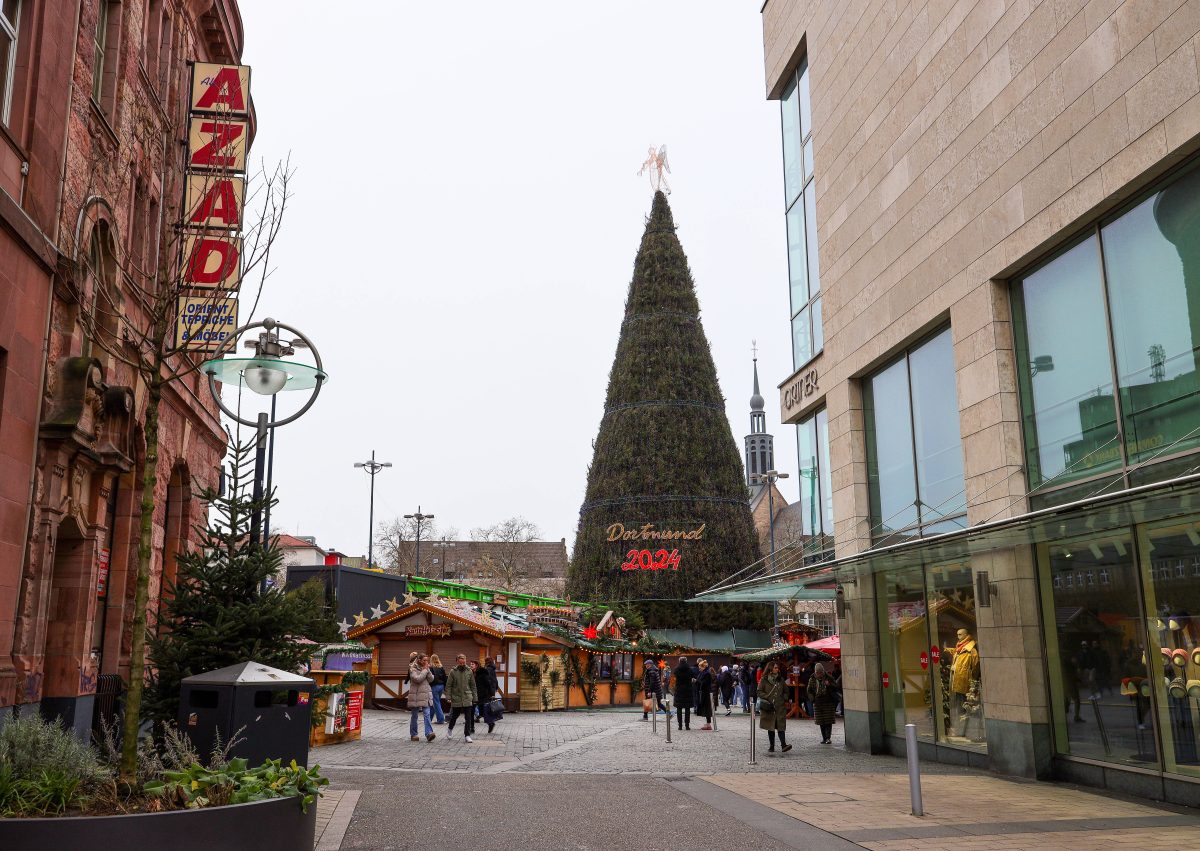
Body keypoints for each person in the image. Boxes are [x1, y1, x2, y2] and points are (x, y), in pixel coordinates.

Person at [758, 660, 792, 753]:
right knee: (771, 726)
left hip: (780, 706)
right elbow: (759, 691)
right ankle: (771, 746)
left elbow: (786, 691)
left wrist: (784, 698)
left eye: (777, 668)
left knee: (781, 726)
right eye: (775, 667)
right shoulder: (764, 679)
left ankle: (783, 745)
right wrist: (767, 697)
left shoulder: (780, 679)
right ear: (770, 669)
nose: (777, 669)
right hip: (769, 707)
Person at [445, 653, 477, 742]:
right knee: (454, 716)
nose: (462, 664)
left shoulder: (469, 671)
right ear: (457, 662)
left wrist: (475, 698)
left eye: (464, 663)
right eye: (461, 663)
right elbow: (448, 685)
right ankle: (450, 730)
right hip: (456, 697)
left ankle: (467, 735)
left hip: (467, 696)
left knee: (468, 717)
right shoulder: (453, 672)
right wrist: (448, 696)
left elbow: (473, 685)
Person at [807, 662, 840, 744]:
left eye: (821, 673)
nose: (819, 674)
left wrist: (829, 684)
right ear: (815, 672)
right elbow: (809, 690)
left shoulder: (829, 678)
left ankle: (828, 738)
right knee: (821, 721)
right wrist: (812, 699)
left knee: (828, 721)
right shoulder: (812, 679)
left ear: (823, 671)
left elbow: (836, 686)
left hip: (828, 702)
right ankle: (824, 738)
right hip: (818, 702)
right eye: (818, 673)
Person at [407, 654, 436, 742]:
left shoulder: (426, 668)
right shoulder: (412, 668)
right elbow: (417, 679)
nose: (426, 662)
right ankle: (414, 734)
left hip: (425, 695)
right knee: (415, 715)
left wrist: (428, 670)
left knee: (427, 714)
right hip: (415, 695)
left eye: (427, 660)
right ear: (419, 660)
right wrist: (424, 670)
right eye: (424, 660)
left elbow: (431, 680)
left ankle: (429, 733)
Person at [473, 660, 498, 734]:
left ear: (477, 665)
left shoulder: (483, 673)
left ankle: (491, 723)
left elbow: (488, 683)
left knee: (483, 711)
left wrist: (492, 693)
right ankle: (472, 727)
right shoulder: (472, 673)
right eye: (470, 664)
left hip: (483, 695)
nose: (471, 665)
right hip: (475, 695)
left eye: (473, 664)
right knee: (478, 712)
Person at [673, 656, 695, 730]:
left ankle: (680, 726)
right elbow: (693, 676)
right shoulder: (690, 669)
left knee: (679, 709)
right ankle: (687, 725)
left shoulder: (676, 669)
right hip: (688, 691)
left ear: (679, 661)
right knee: (687, 709)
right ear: (686, 661)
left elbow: (675, 677)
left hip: (679, 690)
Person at [429, 653, 447, 725]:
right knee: (435, 702)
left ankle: (441, 719)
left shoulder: (431, 668)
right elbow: (445, 678)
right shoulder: (441, 667)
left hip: (434, 686)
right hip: (441, 686)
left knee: (436, 703)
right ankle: (429, 718)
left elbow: (430, 678)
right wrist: (445, 687)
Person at [696, 659, 714, 730]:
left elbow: (705, 683)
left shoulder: (706, 673)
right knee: (705, 708)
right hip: (703, 692)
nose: (699, 668)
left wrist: (697, 681)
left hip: (706, 693)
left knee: (707, 708)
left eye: (700, 667)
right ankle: (707, 723)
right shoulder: (703, 673)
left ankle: (708, 724)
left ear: (703, 667)